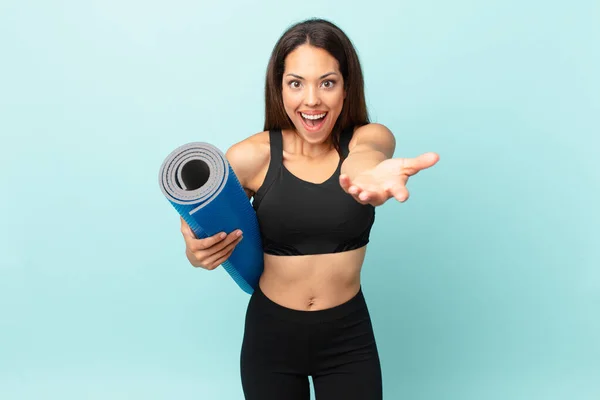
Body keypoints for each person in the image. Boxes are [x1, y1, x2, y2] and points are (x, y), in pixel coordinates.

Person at [179, 18, 439, 400]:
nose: (312, 100)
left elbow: (363, 159)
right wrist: (194, 250)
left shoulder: (369, 138)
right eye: (296, 83)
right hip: (271, 338)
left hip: (347, 339)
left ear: (346, 88)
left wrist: (368, 175)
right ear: (279, 88)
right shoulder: (251, 156)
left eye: (327, 83)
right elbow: (205, 221)